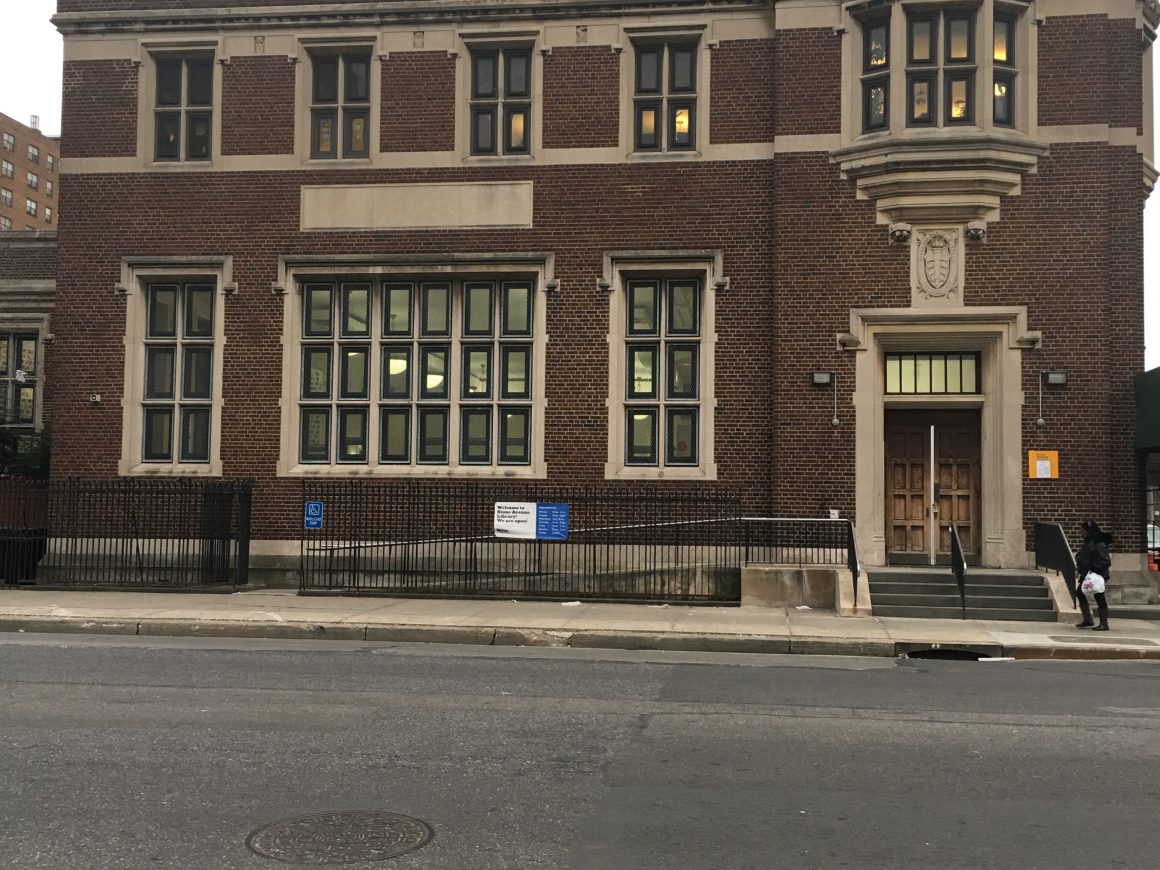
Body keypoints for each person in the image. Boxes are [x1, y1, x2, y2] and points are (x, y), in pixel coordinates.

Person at [1074, 520, 1113, 631]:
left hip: (1097, 575)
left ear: (1089, 531)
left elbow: (1105, 560)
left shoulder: (1098, 542)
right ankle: (1088, 619)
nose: (1081, 533)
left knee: (1099, 596)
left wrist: (1095, 569)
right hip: (1088, 574)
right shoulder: (1089, 541)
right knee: (1079, 593)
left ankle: (1103, 623)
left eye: (1083, 531)